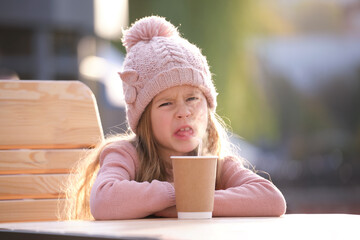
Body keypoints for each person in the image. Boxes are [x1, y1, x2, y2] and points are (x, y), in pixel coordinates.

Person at [62, 16, 286, 220]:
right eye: (166, 103)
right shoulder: (126, 155)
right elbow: (104, 200)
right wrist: (182, 193)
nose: (183, 112)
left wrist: (189, 206)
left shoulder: (216, 166)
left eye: (192, 99)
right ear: (143, 118)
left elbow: (271, 199)